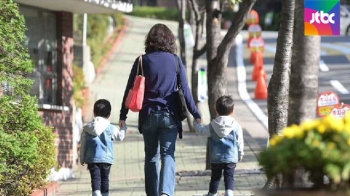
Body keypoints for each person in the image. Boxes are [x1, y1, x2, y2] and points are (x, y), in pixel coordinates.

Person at [119, 23, 201, 196]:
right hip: (170, 116)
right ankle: (165, 192)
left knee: (151, 157)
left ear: (150, 40)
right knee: (168, 155)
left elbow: (130, 90)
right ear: (170, 40)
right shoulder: (176, 61)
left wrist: (123, 116)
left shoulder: (142, 60)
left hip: (148, 116)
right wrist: (196, 114)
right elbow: (186, 90)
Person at [194, 95, 244, 196]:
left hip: (216, 157)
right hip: (231, 157)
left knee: (215, 177)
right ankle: (229, 193)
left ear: (216, 110)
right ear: (232, 111)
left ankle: (212, 193)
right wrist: (240, 154)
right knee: (229, 176)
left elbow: (201, 131)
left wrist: (197, 123)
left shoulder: (212, 125)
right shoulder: (236, 125)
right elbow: (240, 141)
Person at [80, 99, 126, 196]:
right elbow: (120, 137)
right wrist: (123, 128)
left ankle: (96, 193)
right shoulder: (111, 127)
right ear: (109, 114)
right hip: (106, 159)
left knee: (95, 178)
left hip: (92, 159)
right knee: (105, 179)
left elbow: (83, 144)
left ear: (94, 113)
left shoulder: (87, 128)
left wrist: (82, 158)